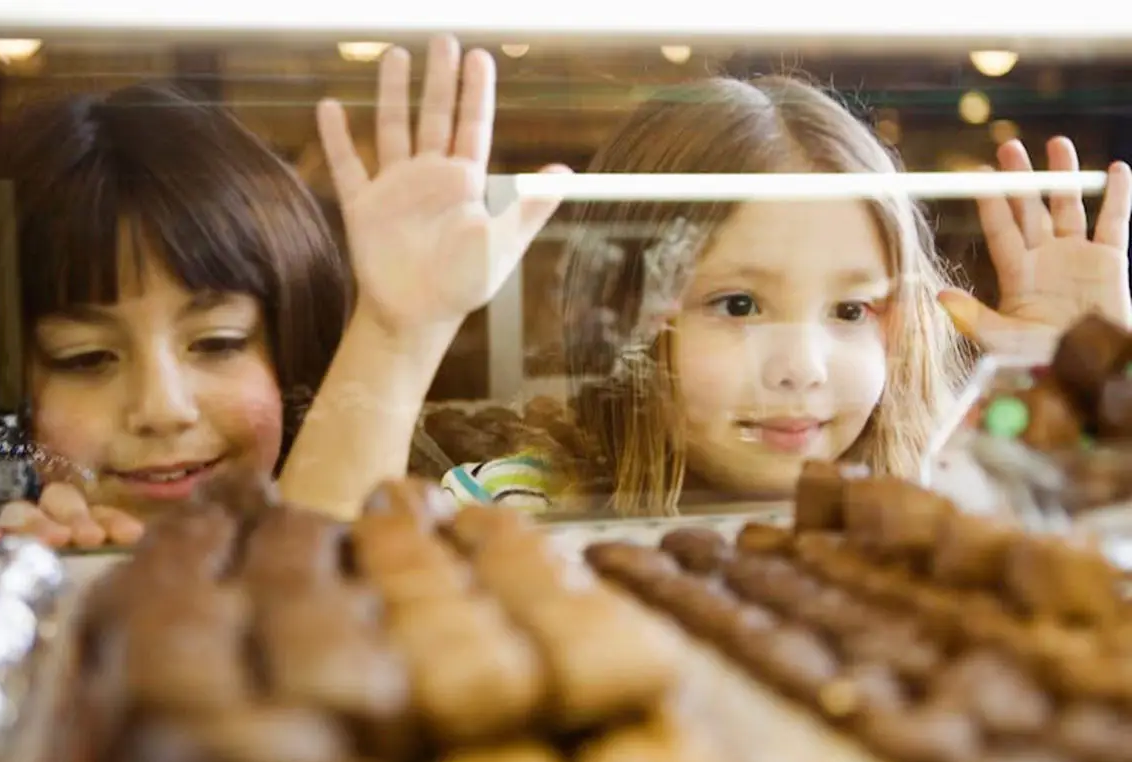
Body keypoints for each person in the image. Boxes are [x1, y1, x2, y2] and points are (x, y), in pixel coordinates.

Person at [0, 35, 564, 546]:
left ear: (292, 352)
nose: (164, 408)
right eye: (85, 357)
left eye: (217, 342)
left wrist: (398, 331)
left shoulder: (450, 528)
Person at [442, 75, 1132, 514]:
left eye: (851, 310)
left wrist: (1072, 393)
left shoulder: (954, 496)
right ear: (622, 319)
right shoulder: (515, 508)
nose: (802, 367)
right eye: (738, 305)